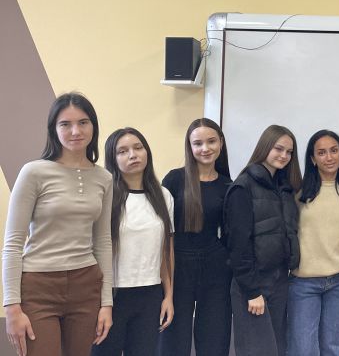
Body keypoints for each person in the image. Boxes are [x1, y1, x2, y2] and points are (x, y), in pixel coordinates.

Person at [3, 92, 113, 356]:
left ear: (93, 126)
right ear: (54, 129)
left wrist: (106, 303)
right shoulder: (34, 172)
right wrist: (12, 307)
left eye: (83, 122)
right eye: (65, 124)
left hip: (86, 284)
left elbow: (103, 242)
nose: (75, 131)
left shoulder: (104, 178)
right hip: (38, 286)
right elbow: (13, 243)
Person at [92, 128, 175, 356]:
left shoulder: (164, 196)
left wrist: (168, 296)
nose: (133, 155)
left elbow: (166, 251)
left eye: (138, 148)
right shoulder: (104, 195)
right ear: (112, 158)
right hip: (111, 295)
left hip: (150, 294)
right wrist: (101, 302)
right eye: (123, 151)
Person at [225, 124, 301, 356]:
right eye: (279, 149)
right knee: (256, 350)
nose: (284, 156)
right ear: (265, 147)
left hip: (279, 281)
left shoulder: (284, 188)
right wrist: (252, 291)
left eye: (289, 152)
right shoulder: (243, 186)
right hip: (253, 284)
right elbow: (238, 244)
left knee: (276, 349)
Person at [158, 118, 232, 356]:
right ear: (189, 147)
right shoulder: (174, 179)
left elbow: (230, 233)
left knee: (214, 338)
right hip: (178, 264)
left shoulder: (228, 185)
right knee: (172, 337)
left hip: (215, 267)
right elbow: (162, 230)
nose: (205, 148)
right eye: (198, 143)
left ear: (221, 143)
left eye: (211, 141)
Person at [287, 130, 339, 356]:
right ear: (312, 158)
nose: (329, 157)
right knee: (303, 349)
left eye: (334, 151)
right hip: (304, 282)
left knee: (334, 348)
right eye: (322, 152)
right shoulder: (299, 193)